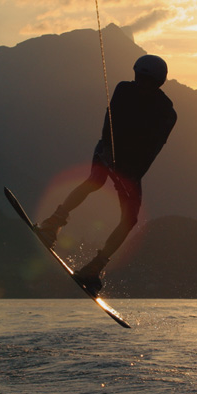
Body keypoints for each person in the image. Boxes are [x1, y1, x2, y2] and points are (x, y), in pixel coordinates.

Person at [37, 54, 177, 296]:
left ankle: (94, 268)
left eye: (145, 81)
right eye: (138, 78)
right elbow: (108, 120)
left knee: (130, 219)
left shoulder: (167, 113)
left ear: (157, 83)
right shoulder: (124, 89)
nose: (139, 83)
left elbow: (153, 150)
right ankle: (52, 225)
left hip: (132, 167)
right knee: (94, 181)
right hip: (107, 150)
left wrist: (132, 176)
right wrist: (107, 150)